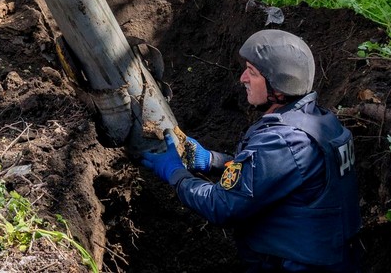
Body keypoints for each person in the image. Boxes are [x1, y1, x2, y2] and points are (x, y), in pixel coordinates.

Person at [140, 29, 362, 272]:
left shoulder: (283, 141)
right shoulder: (321, 122)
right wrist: (213, 161)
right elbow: (273, 179)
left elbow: (221, 205)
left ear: (279, 84)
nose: (243, 78)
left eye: (253, 73)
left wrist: (176, 175)